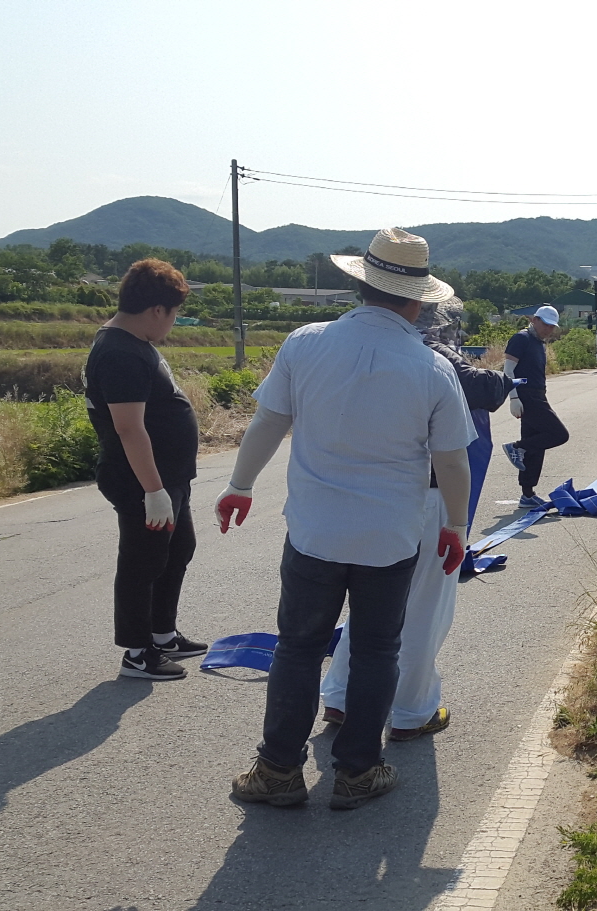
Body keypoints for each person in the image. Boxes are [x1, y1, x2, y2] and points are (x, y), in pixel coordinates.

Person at [216, 227, 475, 810]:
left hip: (314, 531)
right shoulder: (432, 369)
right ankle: (358, 771)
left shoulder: (305, 344)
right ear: (418, 300)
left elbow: (268, 423)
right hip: (390, 537)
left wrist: (239, 486)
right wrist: (454, 528)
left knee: (298, 649)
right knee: (379, 649)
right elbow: (451, 461)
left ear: (360, 284)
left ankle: (278, 770)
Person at [319, 299, 512, 741]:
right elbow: (486, 390)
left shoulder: (342, 347)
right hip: (423, 499)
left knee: (367, 611)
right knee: (425, 607)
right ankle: (411, 710)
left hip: (363, 495)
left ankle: (341, 698)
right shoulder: (431, 356)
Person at [84, 258, 209, 681]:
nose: (171, 324)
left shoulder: (135, 343)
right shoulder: (120, 352)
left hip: (167, 477)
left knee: (177, 551)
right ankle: (138, 653)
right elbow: (128, 427)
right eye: (173, 315)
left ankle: (162, 634)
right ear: (158, 310)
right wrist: (153, 490)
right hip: (142, 480)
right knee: (143, 562)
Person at [501, 305, 569, 507]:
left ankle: (528, 494)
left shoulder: (539, 343)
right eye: (545, 324)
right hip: (527, 397)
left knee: (535, 445)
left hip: (537, 395)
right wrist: (513, 397)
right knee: (559, 434)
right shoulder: (521, 338)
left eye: (552, 326)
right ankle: (515, 447)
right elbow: (508, 370)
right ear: (535, 320)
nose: (548, 329)